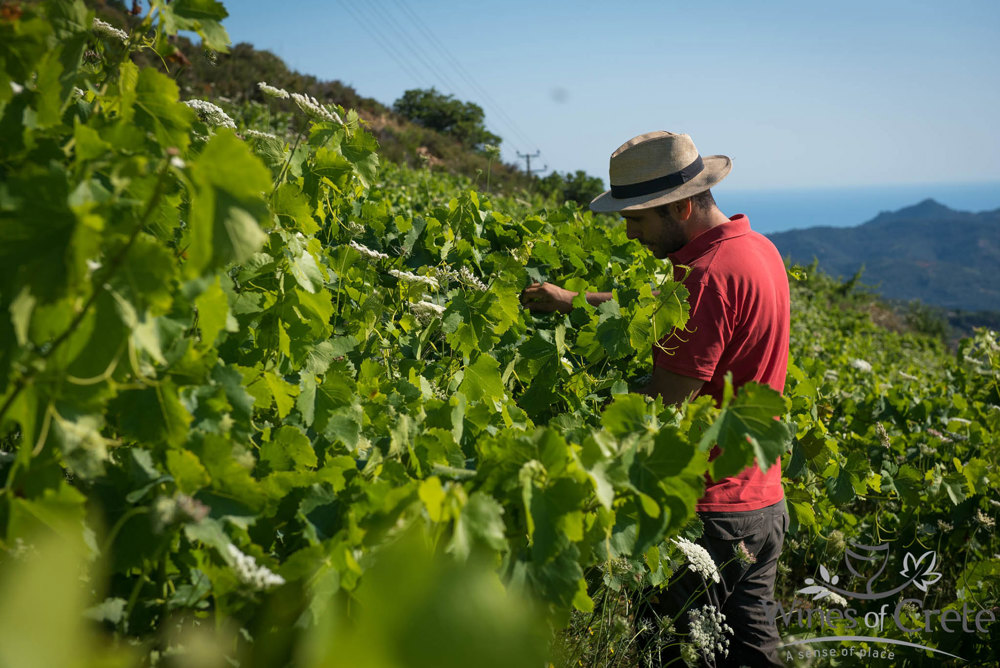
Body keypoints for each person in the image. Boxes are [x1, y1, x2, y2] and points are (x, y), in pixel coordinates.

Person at [521, 131, 789, 667]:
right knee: (755, 657)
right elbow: (663, 303)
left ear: (683, 206)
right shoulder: (753, 249)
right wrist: (573, 301)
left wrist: (579, 427)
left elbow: (662, 407)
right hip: (761, 504)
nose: (630, 233)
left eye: (637, 220)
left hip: (703, 513)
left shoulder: (705, 278)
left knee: (675, 657)